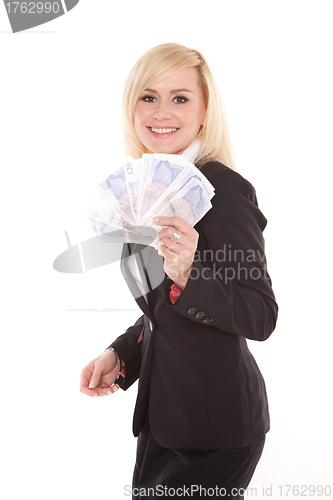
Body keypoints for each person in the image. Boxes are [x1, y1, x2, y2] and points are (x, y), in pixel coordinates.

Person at [80, 43, 278, 499]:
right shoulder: (144, 186)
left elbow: (261, 315)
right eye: (148, 96)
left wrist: (191, 273)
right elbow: (160, 308)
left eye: (180, 98)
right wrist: (123, 354)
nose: (162, 112)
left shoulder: (224, 193)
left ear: (205, 111)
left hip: (215, 432)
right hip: (162, 422)